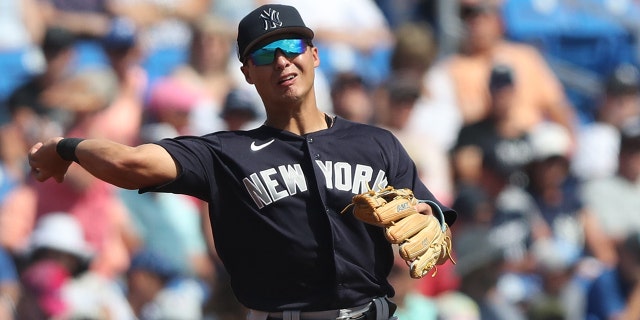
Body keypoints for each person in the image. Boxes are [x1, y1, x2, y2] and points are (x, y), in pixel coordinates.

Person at [27, 4, 456, 319]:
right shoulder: (224, 154)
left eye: (291, 46)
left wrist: (430, 216)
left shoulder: (376, 144)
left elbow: (428, 212)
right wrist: (66, 147)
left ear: (314, 54)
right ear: (247, 72)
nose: (282, 61)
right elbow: (133, 164)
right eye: (265, 55)